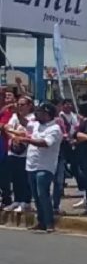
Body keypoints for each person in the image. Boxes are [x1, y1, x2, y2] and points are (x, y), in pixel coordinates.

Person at [20, 103, 63, 232]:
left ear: (47, 114)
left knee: (43, 194)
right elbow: (24, 123)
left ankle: (49, 223)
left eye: (40, 113)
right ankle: (41, 222)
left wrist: (27, 140)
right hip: (31, 165)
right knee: (36, 196)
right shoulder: (36, 125)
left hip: (45, 166)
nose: (37, 114)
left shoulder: (54, 129)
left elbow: (45, 143)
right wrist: (17, 111)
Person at [3, 95, 35, 212]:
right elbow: (7, 128)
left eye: (22, 105)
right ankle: (16, 200)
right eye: (18, 104)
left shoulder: (33, 118)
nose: (20, 107)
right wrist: (14, 136)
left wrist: (16, 134)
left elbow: (26, 132)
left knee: (24, 178)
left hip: (26, 153)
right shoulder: (14, 117)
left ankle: (25, 201)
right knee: (15, 177)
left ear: (29, 106)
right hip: (13, 151)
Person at [0, 91, 16, 209]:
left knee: (5, 176)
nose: (5, 98)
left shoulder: (11, 111)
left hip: (7, 147)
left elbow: (5, 126)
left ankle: (7, 199)